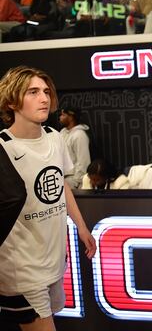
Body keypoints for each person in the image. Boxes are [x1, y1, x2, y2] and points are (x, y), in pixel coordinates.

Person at [0, 66, 96, 330]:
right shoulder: (3, 148)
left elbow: (61, 184)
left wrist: (81, 226)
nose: (44, 98)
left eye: (45, 91)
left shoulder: (55, 138)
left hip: (53, 261)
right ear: (11, 101)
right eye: (33, 92)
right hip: (21, 269)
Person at [58, 107, 91, 189]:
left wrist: (76, 182)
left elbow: (83, 161)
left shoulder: (80, 135)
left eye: (63, 115)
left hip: (73, 180)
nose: (60, 117)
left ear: (71, 117)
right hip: (61, 177)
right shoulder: (62, 133)